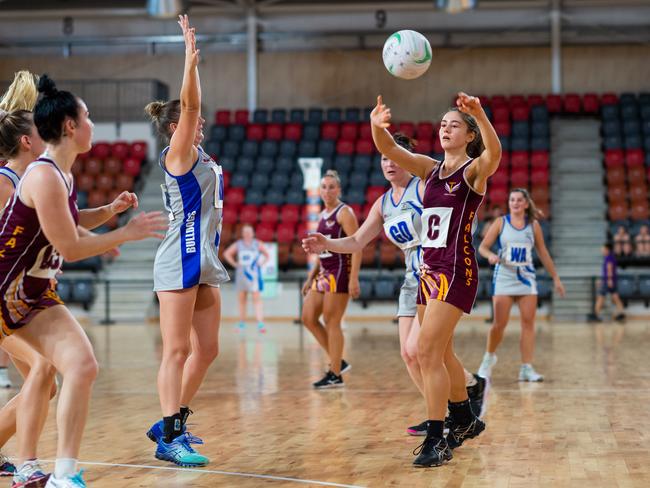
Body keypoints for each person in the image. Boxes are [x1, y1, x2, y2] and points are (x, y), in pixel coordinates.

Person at [0, 72, 166, 488]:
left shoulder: (62, 176)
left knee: (81, 366)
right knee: (43, 369)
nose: (93, 123)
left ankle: (63, 473)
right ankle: (26, 466)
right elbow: (70, 246)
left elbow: (68, 226)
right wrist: (124, 234)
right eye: (88, 116)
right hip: (5, 293)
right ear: (70, 126)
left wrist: (109, 215)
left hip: (34, 292)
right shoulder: (36, 175)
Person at [302, 133, 487, 433]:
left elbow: (460, 215)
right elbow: (357, 240)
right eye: (385, 159)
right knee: (408, 354)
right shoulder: (383, 203)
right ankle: (444, 406)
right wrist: (327, 242)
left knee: (423, 349)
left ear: (407, 160)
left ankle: (454, 406)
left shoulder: (426, 187)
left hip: (437, 275)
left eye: (394, 157)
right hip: (410, 280)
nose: (389, 163)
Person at [370, 92, 501, 467]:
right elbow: (392, 151)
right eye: (443, 124)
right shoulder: (429, 169)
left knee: (426, 352)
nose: (445, 128)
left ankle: (436, 438)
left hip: (456, 271)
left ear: (469, 136)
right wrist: (376, 127)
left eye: (454, 125)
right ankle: (463, 417)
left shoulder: (473, 172)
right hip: (429, 271)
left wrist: (479, 114)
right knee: (441, 353)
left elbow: (495, 156)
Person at [144, 14, 229, 467]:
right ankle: (169, 437)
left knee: (208, 349)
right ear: (177, 127)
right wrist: (189, 63)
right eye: (191, 120)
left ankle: (171, 420)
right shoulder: (178, 153)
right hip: (180, 255)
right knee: (176, 350)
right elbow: (191, 107)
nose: (199, 123)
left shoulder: (201, 155)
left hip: (205, 256)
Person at [477, 188, 565, 381]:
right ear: (509, 203)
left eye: (519, 200)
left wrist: (556, 278)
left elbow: (543, 253)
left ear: (526, 204)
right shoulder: (500, 222)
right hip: (504, 278)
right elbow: (482, 247)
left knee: (528, 324)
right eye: (512, 200)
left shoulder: (533, 226)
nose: (515, 203)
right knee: (498, 326)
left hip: (526, 279)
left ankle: (526, 368)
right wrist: (490, 255)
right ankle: (488, 358)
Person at [301, 170, 361, 389]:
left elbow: (357, 246)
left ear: (339, 190)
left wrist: (354, 278)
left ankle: (335, 373)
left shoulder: (345, 213)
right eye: (324, 187)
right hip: (324, 272)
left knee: (332, 321)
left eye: (332, 187)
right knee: (308, 317)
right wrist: (311, 277)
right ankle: (338, 361)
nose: (327, 191)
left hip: (339, 272)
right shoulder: (321, 214)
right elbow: (321, 248)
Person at [222, 224, 270, 333]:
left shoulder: (258, 244)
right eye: (245, 232)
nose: (247, 234)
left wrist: (261, 263)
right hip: (242, 275)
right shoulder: (238, 244)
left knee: (257, 299)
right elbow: (226, 254)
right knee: (242, 300)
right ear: (243, 234)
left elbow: (267, 254)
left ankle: (260, 324)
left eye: (249, 232)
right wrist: (235, 264)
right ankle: (242, 323)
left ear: (253, 233)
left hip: (254, 275)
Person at [591, 243, 626, 323]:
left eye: (603, 249)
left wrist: (608, 280)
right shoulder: (611, 257)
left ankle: (596, 315)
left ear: (607, 249)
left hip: (608, 280)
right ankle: (621, 313)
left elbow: (609, 269)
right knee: (615, 297)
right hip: (612, 280)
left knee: (601, 297)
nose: (602, 251)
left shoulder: (608, 258)